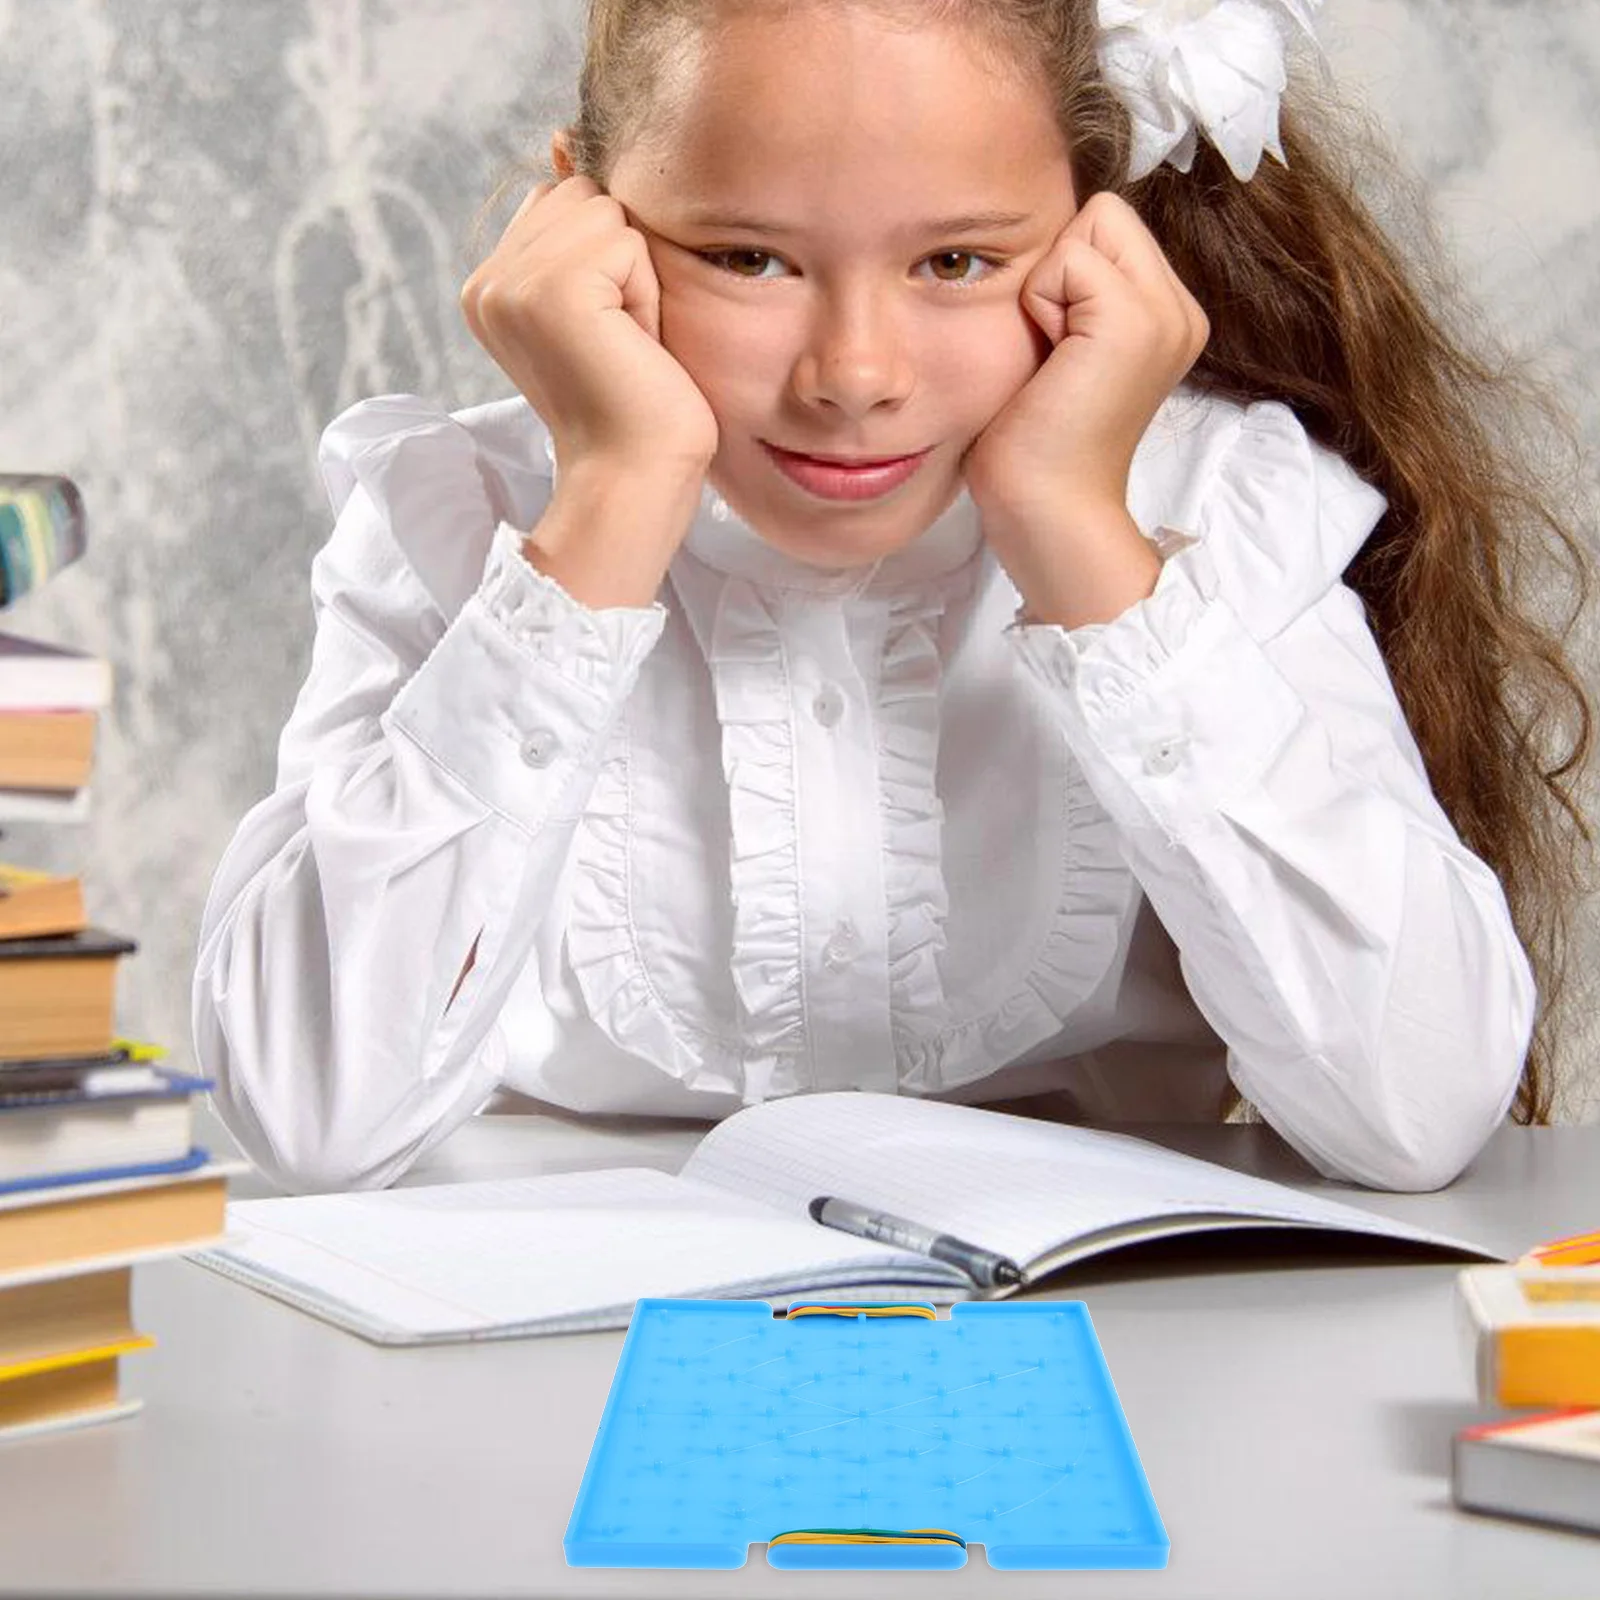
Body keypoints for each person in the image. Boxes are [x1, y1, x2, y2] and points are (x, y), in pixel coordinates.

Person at [192, 0, 1593, 1198]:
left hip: (1110, 1361)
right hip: (546, 1381)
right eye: (746, 259)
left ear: (1100, 244)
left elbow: (1416, 1114)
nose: (853, 373)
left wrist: (1075, 535)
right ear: (586, 229)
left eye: (956, 262)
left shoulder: (1213, 515)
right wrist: (612, 496)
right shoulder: (460, 514)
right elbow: (310, 1118)